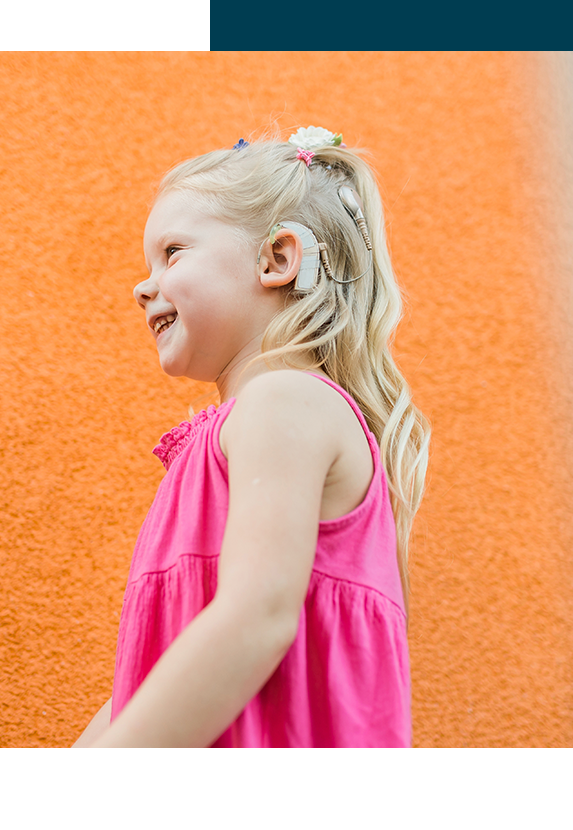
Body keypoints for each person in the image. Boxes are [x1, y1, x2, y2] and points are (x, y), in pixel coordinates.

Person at [72, 127, 431, 748]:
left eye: (174, 252)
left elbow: (256, 619)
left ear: (277, 260)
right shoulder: (240, 427)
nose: (142, 286)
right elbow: (161, 670)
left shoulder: (285, 401)